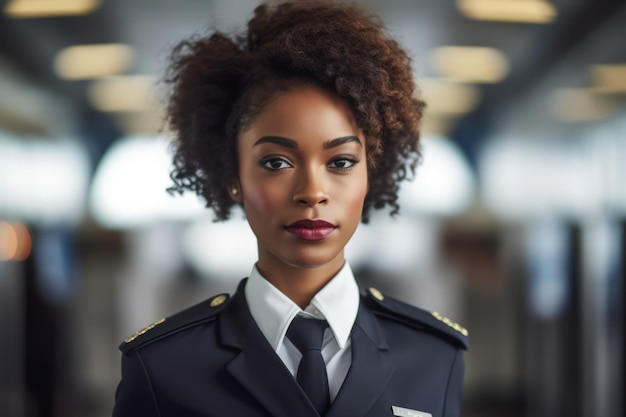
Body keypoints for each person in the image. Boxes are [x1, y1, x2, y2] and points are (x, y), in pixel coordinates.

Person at [112, 1, 468, 416]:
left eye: (341, 162)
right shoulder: (162, 368)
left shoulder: (435, 356)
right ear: (233, 176)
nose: (312, 192)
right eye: (276, 162)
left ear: (370, 174)